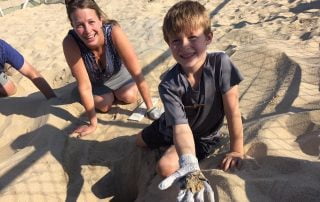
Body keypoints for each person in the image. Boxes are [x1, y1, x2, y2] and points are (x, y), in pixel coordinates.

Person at [136, 1, 244, 200]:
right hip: (174, 127)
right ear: (168, 44)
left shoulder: (221, 64)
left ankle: (175, 153)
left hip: (202, 135)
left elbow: (233, 111)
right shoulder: (168, 85)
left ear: (208, 38)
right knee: (139, 141)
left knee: (166, 167)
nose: (184, 45)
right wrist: (188, 160)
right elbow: (180, 128)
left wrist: (236, 150)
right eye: (176, 40)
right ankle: (162, 133)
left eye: (192, 37)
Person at [63, 0, 160, 137]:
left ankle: (115, 93)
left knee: (129, 96)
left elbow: (136, 72)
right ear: (72, 25)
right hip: (94, 81)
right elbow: (85, 86)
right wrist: (93, 124)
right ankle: (87, 93)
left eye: (91, 22)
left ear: (100, 20)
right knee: (104, 105)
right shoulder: (70, 42)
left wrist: (150, 108)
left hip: (117, 72)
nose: (88, 30)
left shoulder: (113, 31)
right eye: (79, 25)